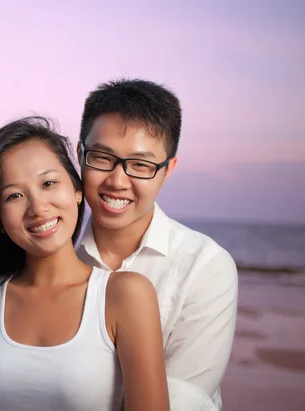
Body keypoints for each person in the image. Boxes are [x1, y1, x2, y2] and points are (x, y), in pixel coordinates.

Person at [0, 116, 170, 411]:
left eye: (48, 183)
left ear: (76, 191)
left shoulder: (125, 294)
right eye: (14, 195)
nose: (37, 207)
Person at [75, 79, 238, 410]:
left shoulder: (205, 267)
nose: (118, 181)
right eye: (102, 157)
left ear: (168, 170)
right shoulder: (52, 259)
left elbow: (183, 399)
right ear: (80, 155)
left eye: (141, 165)